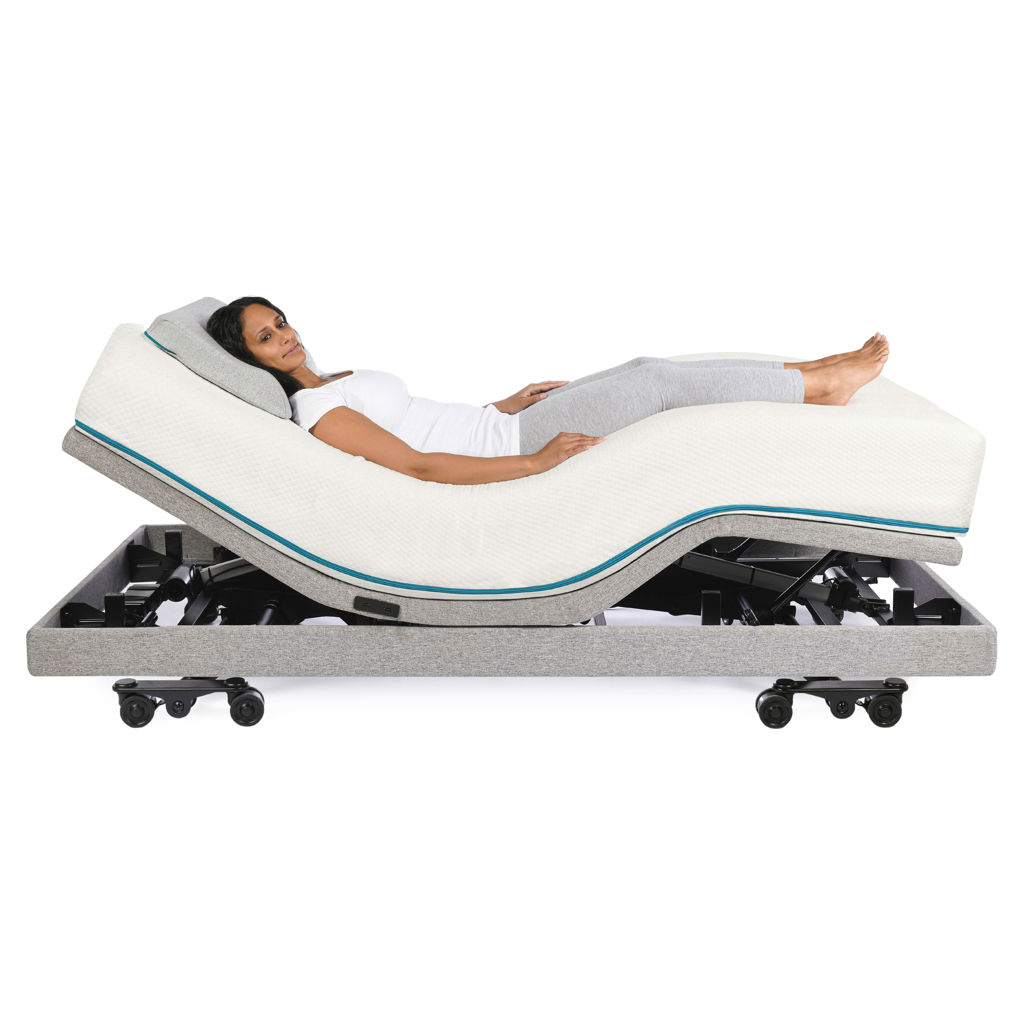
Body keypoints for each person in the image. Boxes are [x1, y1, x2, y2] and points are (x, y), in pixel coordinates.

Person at [206, 296, 889, 486]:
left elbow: (419, 421)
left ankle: (810, 369)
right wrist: (533, 461)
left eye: (280, 323)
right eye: (266, 338)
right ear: (250, 358)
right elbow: (416, 465)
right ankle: (822, 386)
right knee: (656, 384)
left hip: (503, 423)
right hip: (511, 448)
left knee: (646, 365)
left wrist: (497, 405)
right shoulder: (316, 410)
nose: (285, 337)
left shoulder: (335, 379)